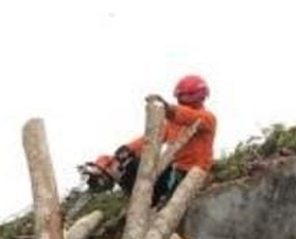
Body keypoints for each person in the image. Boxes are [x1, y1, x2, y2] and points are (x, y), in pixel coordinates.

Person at [87, 75, 217, 205]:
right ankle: (103, 176)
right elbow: (152, 138)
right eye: (181, 97)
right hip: (175, 169)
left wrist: (167, 108)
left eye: (185, 97)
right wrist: (128, 149)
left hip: (194, 173)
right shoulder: (173, 124)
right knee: (127, 162)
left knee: (134, 168)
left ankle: (153, 200)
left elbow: (187, 116)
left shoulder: (207, 119)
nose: (183, 100)